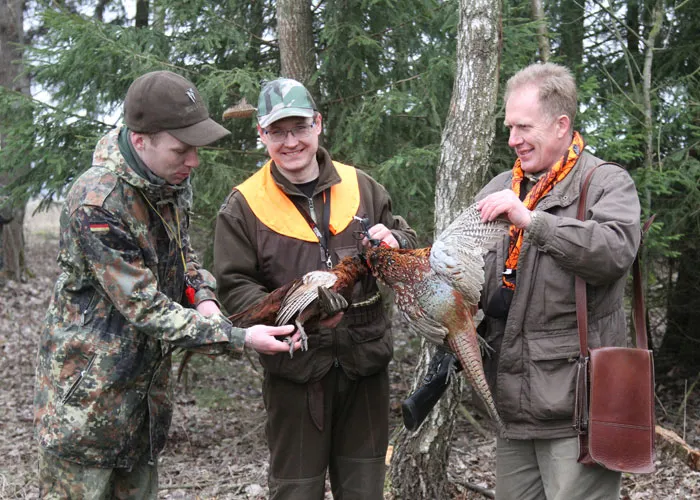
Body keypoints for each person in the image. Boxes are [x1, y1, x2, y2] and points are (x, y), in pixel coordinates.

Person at [33, 70, 298, 499]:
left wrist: (204, 298)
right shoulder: (97, 203)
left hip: (141, 407)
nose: (193, 161)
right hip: (87, 409)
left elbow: (183, 256)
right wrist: (238, 336)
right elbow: (144, 305)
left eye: (196, 148)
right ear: (142, 141)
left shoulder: (168, 182)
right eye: (182, 149)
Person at [213, 77, 417, 499]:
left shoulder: (361, 186)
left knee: (364, 490)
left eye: (299, 128)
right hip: (296, 372)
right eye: (277, 131)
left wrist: (395, 244)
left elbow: (407, 241)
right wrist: (297, 310)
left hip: (365, 368)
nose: (290, 142)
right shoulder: (244, 204)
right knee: (296, 491)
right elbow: (234, 286)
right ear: (261, 135)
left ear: (318, 124)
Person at [475, 62, 641, 499]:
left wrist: (533, 222)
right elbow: (467, 268)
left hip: (578, 411)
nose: (512, 139)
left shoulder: (605, 182)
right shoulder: (500, 186)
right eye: (509, 126)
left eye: (523, 127)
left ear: (561, 124)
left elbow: (614, 252)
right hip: (511, 409)